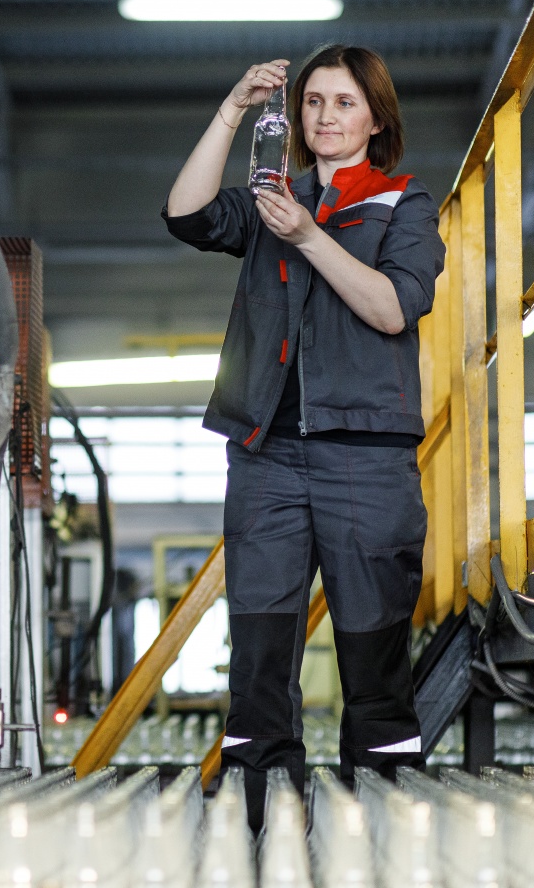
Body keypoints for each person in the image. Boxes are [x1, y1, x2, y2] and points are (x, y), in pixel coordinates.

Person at [162, 44, 445, 831]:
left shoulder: (401, 202)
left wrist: (309, 235)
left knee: (372, 646)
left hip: (366, 454)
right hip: (266, 454)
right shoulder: (268, 197)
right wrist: (231, 109)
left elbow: (393, 307)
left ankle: (381, 822)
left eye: (345, 103)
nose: (326, 116)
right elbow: (185, 213)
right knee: (258, 645)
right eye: (314, 102)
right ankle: (263, 818)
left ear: (376, 117)